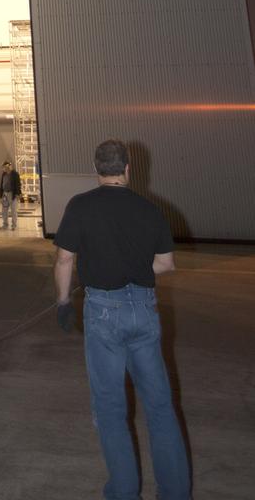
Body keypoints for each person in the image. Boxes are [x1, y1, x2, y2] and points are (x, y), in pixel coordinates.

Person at [54, 139, 191, 500]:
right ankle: (176, 492)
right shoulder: (150, 209)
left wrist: (64, 301)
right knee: (160, 407)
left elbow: (65, 260)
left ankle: (124, 492)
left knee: (112, 409)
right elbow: (166, 263)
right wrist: (132, 267)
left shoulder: (80, 206)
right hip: (144, 310)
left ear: (96, 169)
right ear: (128, 169)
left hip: (103, 312)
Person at [0, 160, 21, 229]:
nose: (4, 168)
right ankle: (5, 224)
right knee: (4, 210)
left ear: (8, 167)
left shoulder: (15, 174)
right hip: (5, 194)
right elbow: (2, 184)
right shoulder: (4, 174)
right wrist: (0, 192)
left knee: (13, 210)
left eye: (5, 167)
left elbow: (18, 184)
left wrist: (17, 193)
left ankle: (14, 225)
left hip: (12, 194)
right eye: (3, 167)